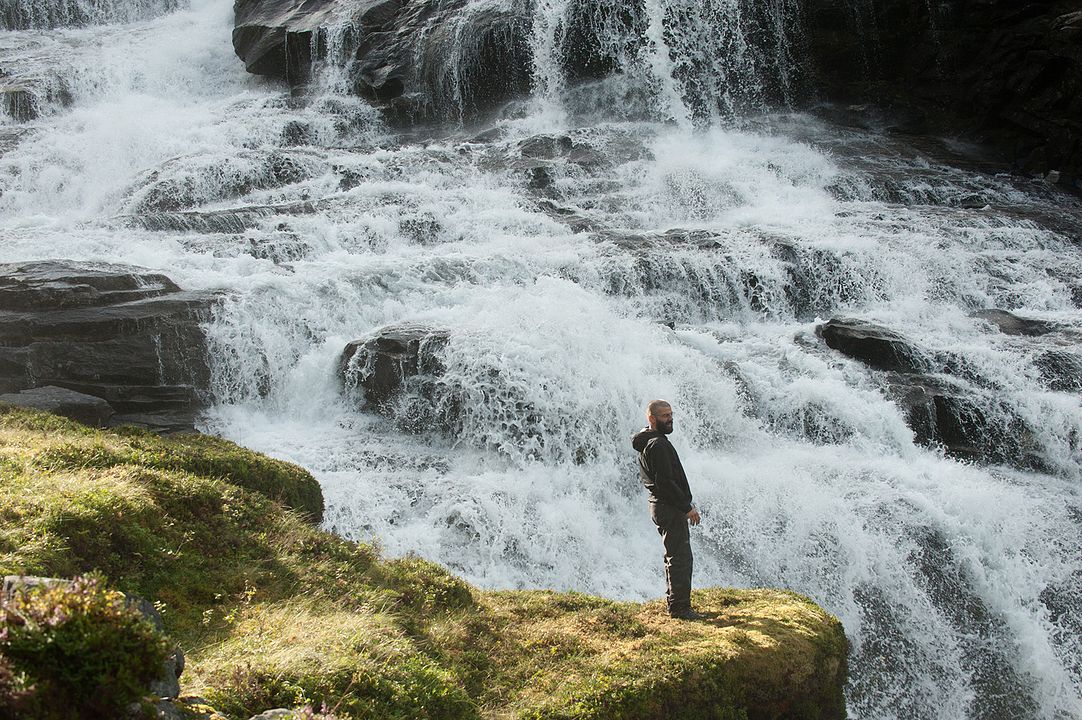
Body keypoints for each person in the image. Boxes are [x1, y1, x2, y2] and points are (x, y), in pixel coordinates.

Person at [631, 399, 703, 620]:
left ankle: (676, 603)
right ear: (651, 419)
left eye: (671, 414)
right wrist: (686, 507)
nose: (670, 419)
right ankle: (680, 609)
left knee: (675, 556)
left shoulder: (649, 440)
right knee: (680, 558)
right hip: (668, 507)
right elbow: (665, 483)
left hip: (660, 506)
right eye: (664, 416)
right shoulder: (658, 444)